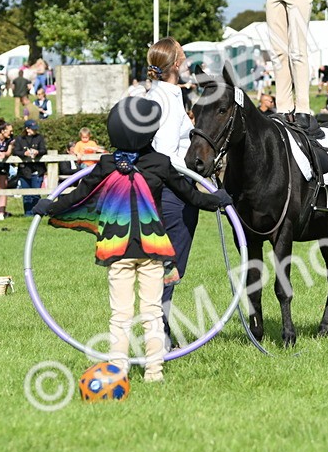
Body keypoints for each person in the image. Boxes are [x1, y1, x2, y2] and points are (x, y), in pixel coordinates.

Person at [32, 97, 231, 382]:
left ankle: (117, 369)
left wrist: (49, 206)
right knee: (151, 313)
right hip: (153, 250)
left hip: (118, 250)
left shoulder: (106, 164)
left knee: (120, 315)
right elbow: (192, 196)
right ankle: (154, 372)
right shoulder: (160, 163)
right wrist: (218, 200)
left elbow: (77, 195)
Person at [143, 37, 199, 337]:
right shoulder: (164, 99)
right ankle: (158, 335)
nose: (187, 57)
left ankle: (159, 330)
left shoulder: (170, 94)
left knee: (171, 265)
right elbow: (165, 154)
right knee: (171, 265)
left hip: (177, 187)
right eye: (183, 52)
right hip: (173, 191)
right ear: (175, 63)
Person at [14, 119, 48, 216]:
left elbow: (43, 150)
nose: (35, 131)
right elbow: (16, 151)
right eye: (32, 129)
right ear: (27, 129)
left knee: (36, 194)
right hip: (24, 170)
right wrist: (24, 153)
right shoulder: (20, 139)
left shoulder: (39, 138)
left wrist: (37, 152)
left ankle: (37, 213)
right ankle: (28, 214)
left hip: (37, 169)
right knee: (26, 194)